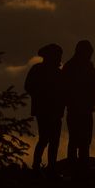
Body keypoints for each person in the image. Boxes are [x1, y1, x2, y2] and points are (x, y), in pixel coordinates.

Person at [61, 40, 95, 170]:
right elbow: (92, 83)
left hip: (83, 108)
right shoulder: (77, 66)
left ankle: (79, 165)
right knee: (79, 138)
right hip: (78, 108)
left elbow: (93, 83)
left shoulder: (73, 66)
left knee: (82, 139)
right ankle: (78, 165)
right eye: (88, 53)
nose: (90, 55)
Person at [24, 43, 65, 175]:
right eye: (57, 55)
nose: (59, 58)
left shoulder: (43, 70)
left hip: (51, 110)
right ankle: (42, 166)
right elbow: (29, 87)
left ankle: (45, 166)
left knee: (50, 139)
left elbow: (28, 86)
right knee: (47, 139)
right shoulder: (43, 70)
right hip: (46, 110)